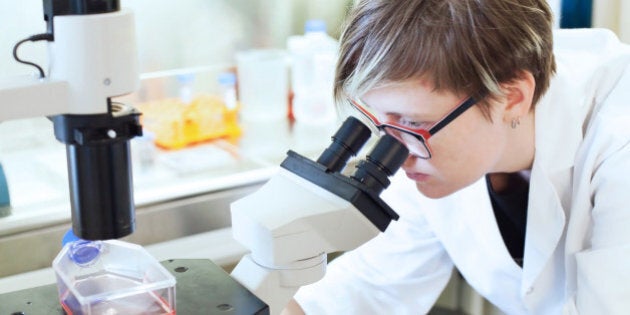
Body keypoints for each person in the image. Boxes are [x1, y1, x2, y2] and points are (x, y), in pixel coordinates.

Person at [282, 0, 630, 314]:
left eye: (414, 123)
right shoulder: (437, 139)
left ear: (512, 97)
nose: (398, 157)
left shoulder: (619, 141)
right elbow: (372, 286)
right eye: (380, 120)